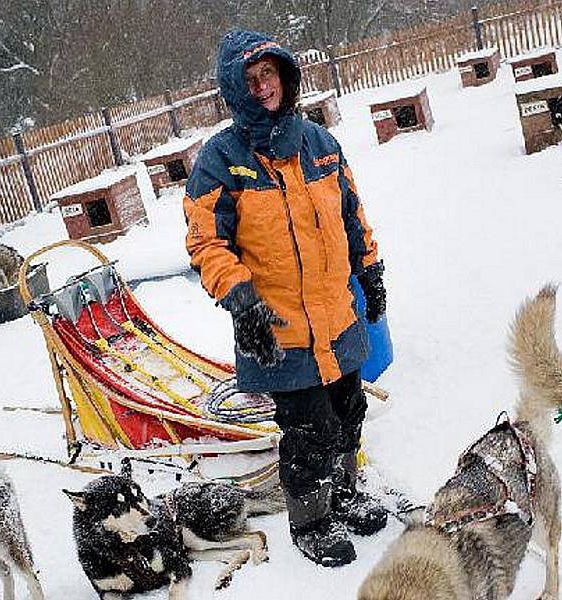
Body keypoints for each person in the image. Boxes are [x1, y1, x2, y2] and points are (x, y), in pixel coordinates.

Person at [183, 29, 388, 567]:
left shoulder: (320, 145)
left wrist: (370, 271)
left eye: (268, 74)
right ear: (236, 90)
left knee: (349, 409)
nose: (263, 87)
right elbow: (206, 241)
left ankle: (344, 490)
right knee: (308, 430)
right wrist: (241, 300)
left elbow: (352, 216)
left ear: (284, 76)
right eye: (250, 81)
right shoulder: (220, 159)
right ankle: (312, 517)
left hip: (336, 315)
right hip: (275, 327)